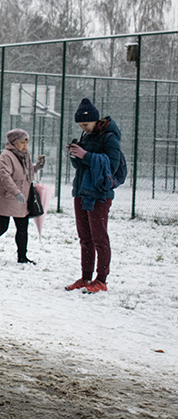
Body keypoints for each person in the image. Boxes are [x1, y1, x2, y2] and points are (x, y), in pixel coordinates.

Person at [65, 98, 121, 294]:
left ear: (96, 120)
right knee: (85, 238)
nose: (83, 128)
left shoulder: (110, 138)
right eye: (80, 125)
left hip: (99, 193)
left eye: (86, 124)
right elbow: (82, 165)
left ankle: (101, 279)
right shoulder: (86, 136)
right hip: (81, 191)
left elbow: (112, 166)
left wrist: (86, 156)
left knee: (99, 237)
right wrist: (75, 155)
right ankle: (86, 277)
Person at [0, 129, 46, 263]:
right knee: (1, 226)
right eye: (22, 142)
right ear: (13, 142)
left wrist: (36, 167)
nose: (25, 145)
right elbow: (5, 176)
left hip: (22, 196)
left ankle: (22, 256)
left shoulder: (25, 155)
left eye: (26, 142)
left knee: (22, 227)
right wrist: (16, 192)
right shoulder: (6, 156)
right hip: (8, 196)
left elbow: (26, 172)